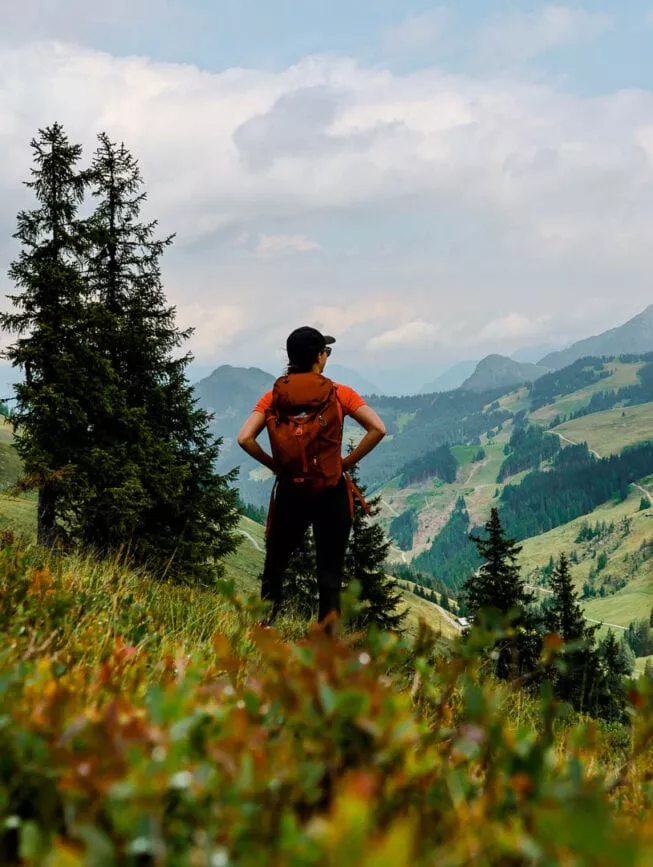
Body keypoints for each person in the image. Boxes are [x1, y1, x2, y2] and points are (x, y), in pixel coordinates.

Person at [237, 326, 386, 630]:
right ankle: (326, 646)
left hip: (291, 493)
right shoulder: (340, 393)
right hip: (330, 492)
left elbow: (244, 438)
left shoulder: (273, 396)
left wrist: (275, 466)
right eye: (325, 352)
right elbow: (378, 429)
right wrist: (345, 463)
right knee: (329, 573)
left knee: (275, 565)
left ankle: (265, 628)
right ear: (319, 358)